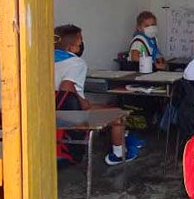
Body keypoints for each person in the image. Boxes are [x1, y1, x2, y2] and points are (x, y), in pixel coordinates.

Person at [54, 24, 140, 165]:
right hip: (71, 115)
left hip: (52, 113)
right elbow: (66, 87)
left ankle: (119, 140)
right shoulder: (76, 63)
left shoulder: (46, 60)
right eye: (80, 41)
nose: (82, 44)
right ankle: (118, 154)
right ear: (71, 47)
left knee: (107, 106)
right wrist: (84, 104)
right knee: (119, 114)